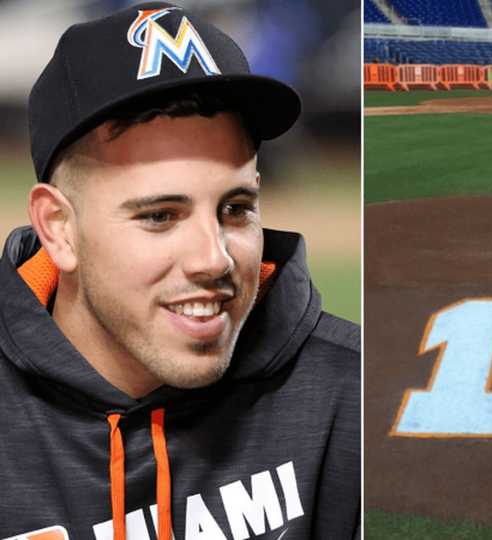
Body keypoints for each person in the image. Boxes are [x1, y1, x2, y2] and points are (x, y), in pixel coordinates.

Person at [0, 3, 359, 539]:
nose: (213, 259)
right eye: (160, 217)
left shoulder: (353, 403)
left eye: (236, 208)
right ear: (58, 229)